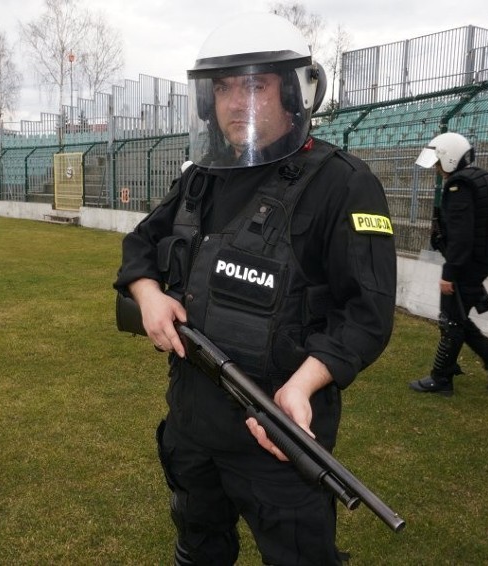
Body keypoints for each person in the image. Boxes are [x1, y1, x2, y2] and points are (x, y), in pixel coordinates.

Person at [114, 13, 396, 565]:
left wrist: (304, 384)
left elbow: (367, 314)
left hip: (279, 431)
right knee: (198, 551)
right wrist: (148, 294)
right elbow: (140, 244)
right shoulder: (200, 178)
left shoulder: (344, 183)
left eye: (256, 84)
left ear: (293, 92)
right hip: (193, 423)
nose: (236, 101)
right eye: (223, 87)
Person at [409, 132, 488, 396]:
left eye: (438, 163)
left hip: (465, 266)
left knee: (451, 320)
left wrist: (450, 273)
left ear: (449, 158)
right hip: (478, 262)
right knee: (457, 318)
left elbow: (461, 235)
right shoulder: (479, 178)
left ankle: (443, 378)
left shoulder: (459, 186)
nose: (437, 169)